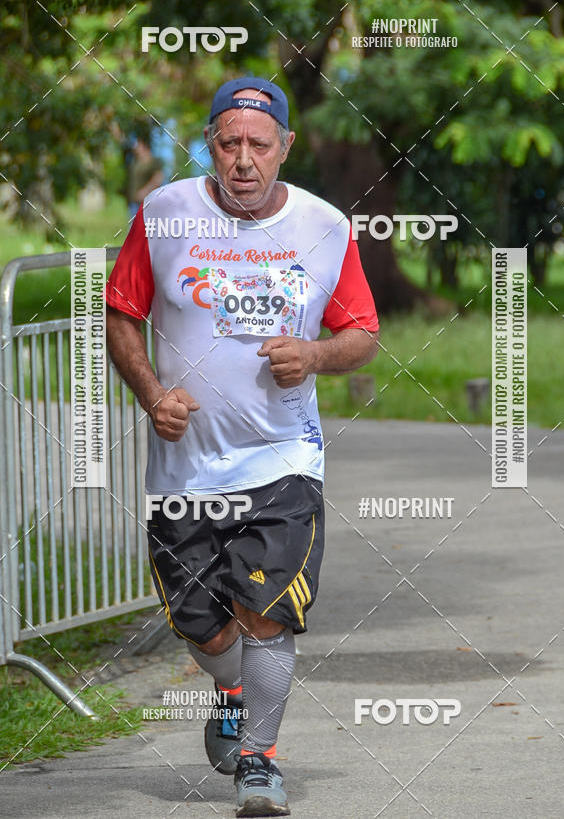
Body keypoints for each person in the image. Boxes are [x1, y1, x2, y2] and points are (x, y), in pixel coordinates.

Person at [105, 76, 379, 817]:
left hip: (284, 462)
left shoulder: (325, 226)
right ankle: (231, 690)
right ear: (211, 146)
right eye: (230, 143)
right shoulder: (163, 215)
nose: (245, 159)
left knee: (267, 614)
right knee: (202, 623)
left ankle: (261, 758)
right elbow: (120, 314)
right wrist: (151, 396)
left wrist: (316, 356)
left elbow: (362, 334)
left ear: (286, 147)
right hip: (184, 469)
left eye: (261, 144)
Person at [126, 132, 164, 216]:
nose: (135, 147)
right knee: (133, 228)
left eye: (137, 144)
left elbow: (158, 180)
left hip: (146, 203)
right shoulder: (136, 161)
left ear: (144, 145)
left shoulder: (154, 161)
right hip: (134, 203)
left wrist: (144, 192)